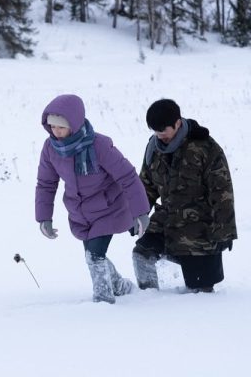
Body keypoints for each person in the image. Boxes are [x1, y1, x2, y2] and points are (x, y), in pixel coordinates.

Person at [35, 94, 151, 304]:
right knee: (93, 255)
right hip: (80, 212)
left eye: (61, 127)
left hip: (110, 208)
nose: (56, 132)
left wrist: (141, 213)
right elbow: (46, 184)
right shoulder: (51, 148)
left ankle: (103, 299)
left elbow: (128, 177)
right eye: (52, 126)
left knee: (94, 257)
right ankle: (119, 285)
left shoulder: (99, 145)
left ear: (75, 123)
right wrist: (44, 217)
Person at [133, 99, 236, 293]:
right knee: (142, 255)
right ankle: (148, 300)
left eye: (164, 132)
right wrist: (137, 214)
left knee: (200, 290)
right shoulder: (153, 148)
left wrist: (225, 231)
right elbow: (146, 185)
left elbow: (222, 192)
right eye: (155, 132)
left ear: (178, 123)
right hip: (166, 221)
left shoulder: (205, 148)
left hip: (200, 231)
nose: (159, 136)